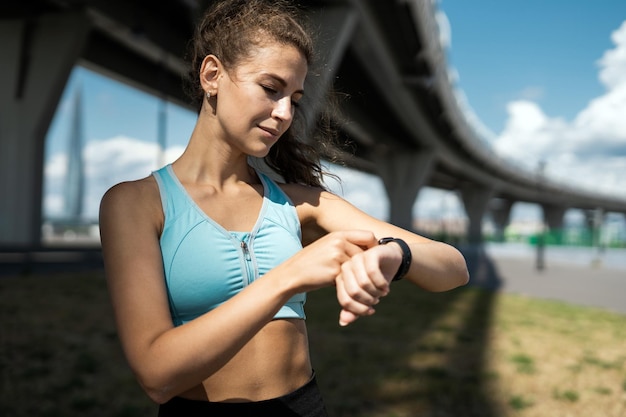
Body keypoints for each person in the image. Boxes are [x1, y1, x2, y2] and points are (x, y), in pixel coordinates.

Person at [98, 0, 469, 415]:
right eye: (271, 89)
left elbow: (453, 268)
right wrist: (289, 277)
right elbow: (156, 374)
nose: (284, 113)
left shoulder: (298, 204)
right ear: (212, 75)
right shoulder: (136, 203)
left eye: (294, 98)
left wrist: (392, 254)